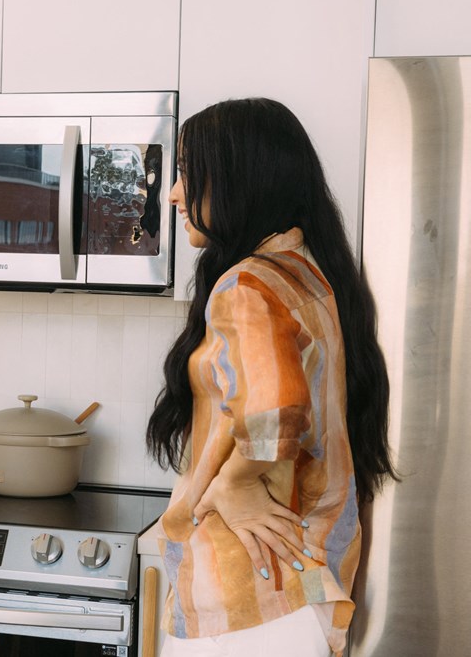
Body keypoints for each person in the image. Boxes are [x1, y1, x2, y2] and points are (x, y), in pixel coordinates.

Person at [145, 98, 398, 657]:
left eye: (187, 171)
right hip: (298, 589)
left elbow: (275, 413)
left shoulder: (248, 285)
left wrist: (233, 484)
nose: (174, 193)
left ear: (241, 177)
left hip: (242, 598)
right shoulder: (309, 274)